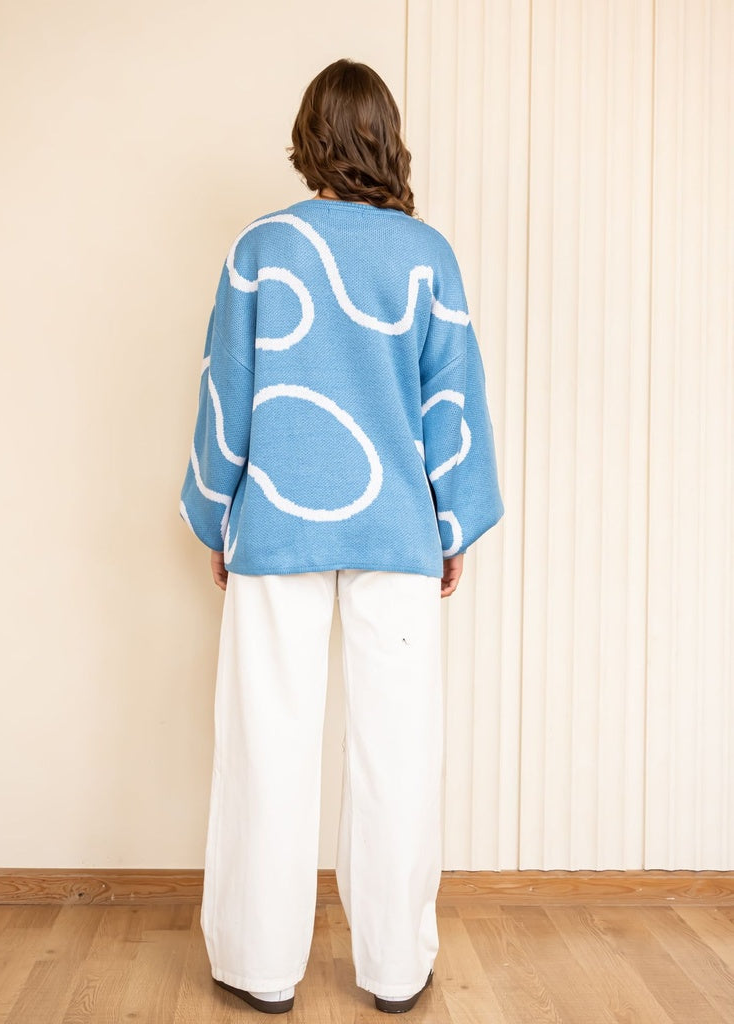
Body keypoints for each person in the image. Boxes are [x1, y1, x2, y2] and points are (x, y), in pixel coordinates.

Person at [179, 58, 504, 1015]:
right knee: (397, 750)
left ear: (307, 138)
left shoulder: (261, 248)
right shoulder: (426, 255)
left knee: (266, 742)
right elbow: (453, 403)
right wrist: (450, 525)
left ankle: (259, 966)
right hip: (397, 527)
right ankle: (395, 971)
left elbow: (226, 391)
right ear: (386, 140)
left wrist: (217, 512)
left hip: (277, 521)